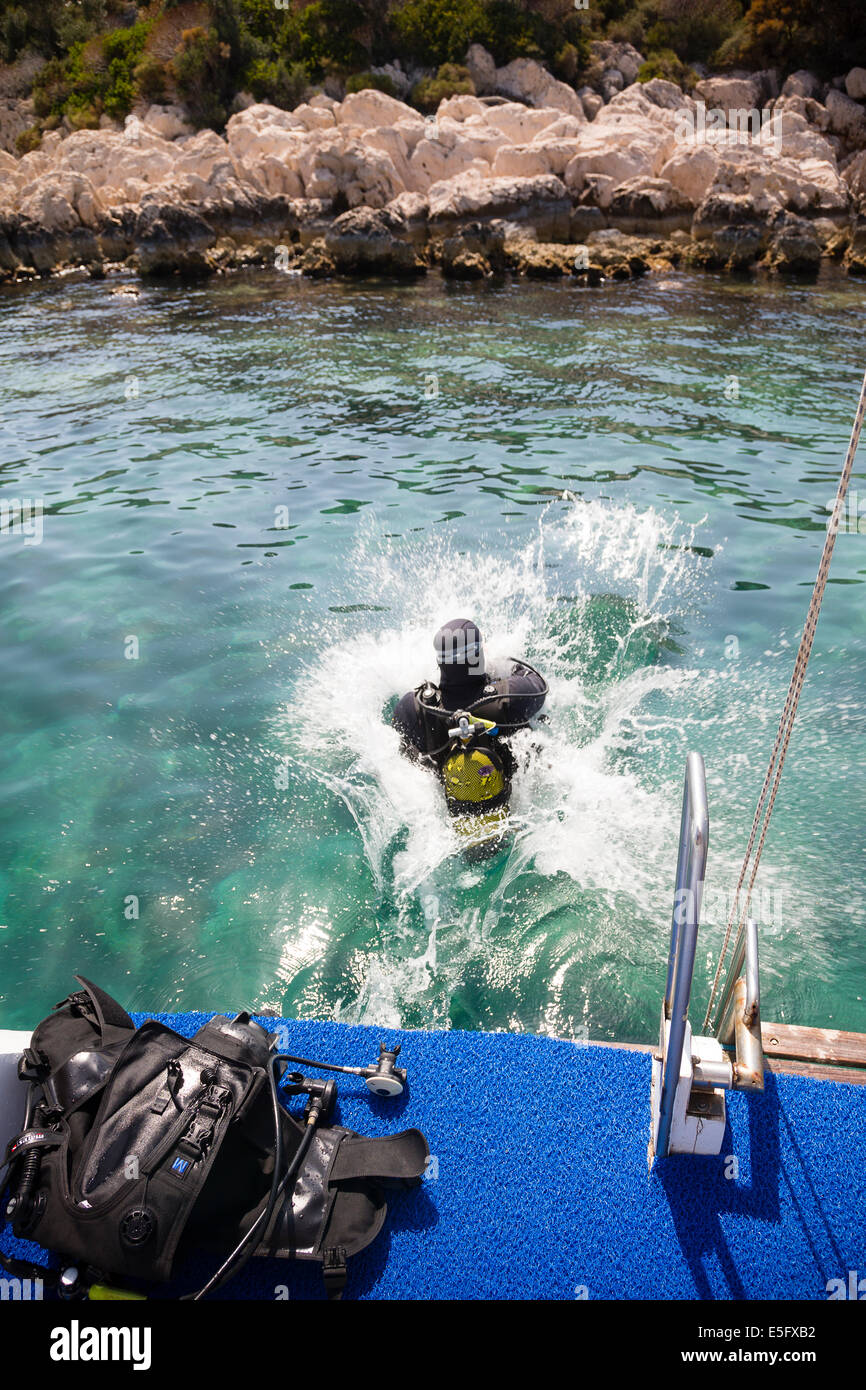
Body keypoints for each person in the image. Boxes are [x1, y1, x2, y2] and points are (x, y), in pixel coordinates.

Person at [391, 618, 548, 782]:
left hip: (451, 798)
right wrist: (507, 667)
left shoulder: (413, 707)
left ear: (439, 661)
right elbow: (537, 683)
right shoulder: (509, 696)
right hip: (509, 793)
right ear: (478, 657)